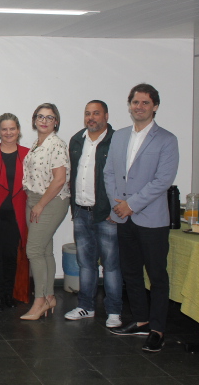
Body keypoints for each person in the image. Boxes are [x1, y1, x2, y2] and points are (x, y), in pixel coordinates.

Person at [105, 84, 178, 353]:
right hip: (124, 218)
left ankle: (157, 329)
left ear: (155, 106)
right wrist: (118, 206)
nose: (139, 107)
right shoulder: (120, 136)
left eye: (145, 103)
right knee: (131, 273)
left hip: (152, 220)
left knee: (157, 276)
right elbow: (109, 173)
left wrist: (131, 205)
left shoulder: (167, 139)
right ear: (130, 105)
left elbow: (163, 181)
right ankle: (141, 320)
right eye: (135, 102)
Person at [65, 101, 122, 328]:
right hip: (81, 210)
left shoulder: (117, 140)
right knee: (85, 263)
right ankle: (85, 307)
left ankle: (114, 311)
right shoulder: (77, 140)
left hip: (106, 214)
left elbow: (123, 177)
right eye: (87, 113)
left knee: (111, 265)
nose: (91, 117)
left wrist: (115, 208)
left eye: (96, 113)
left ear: (106, 115)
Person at [21, 103, 70, 320]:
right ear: (34, 120)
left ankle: (40, 301)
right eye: (40, 116)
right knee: (44, 250)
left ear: (56, 122)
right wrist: (34, 202)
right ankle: (49, 296)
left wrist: (40, 205)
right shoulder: (37, 144)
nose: (44, 120)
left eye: (49, 117)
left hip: (50, 201)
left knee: (33, 250)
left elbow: (59, 180)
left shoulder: (56, 144)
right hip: (34, 198)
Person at [0, 113, 31, 311]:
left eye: (12, 128)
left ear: (18, 130)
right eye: (4, 129)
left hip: (16, 214)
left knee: (11, 256)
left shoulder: (28, 153)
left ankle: (9, 294)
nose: (8, 132)